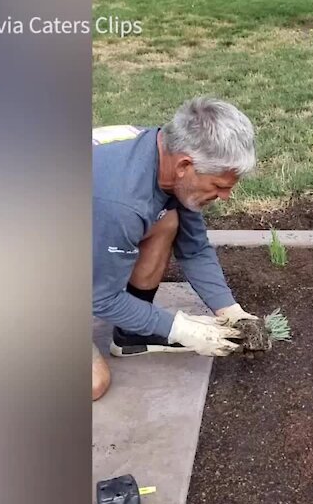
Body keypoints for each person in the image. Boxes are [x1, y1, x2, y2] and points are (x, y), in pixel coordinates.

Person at [91, 97, 261, 401]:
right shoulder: (121, 203)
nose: (225, 197)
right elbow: (102, 298)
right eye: (220, 186)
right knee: (94, 383)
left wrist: (230, 311)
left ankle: (132, 335)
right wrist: (181, 330)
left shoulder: (165, 158)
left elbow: (194, 249)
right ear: (185, 166)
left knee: (167, 220)